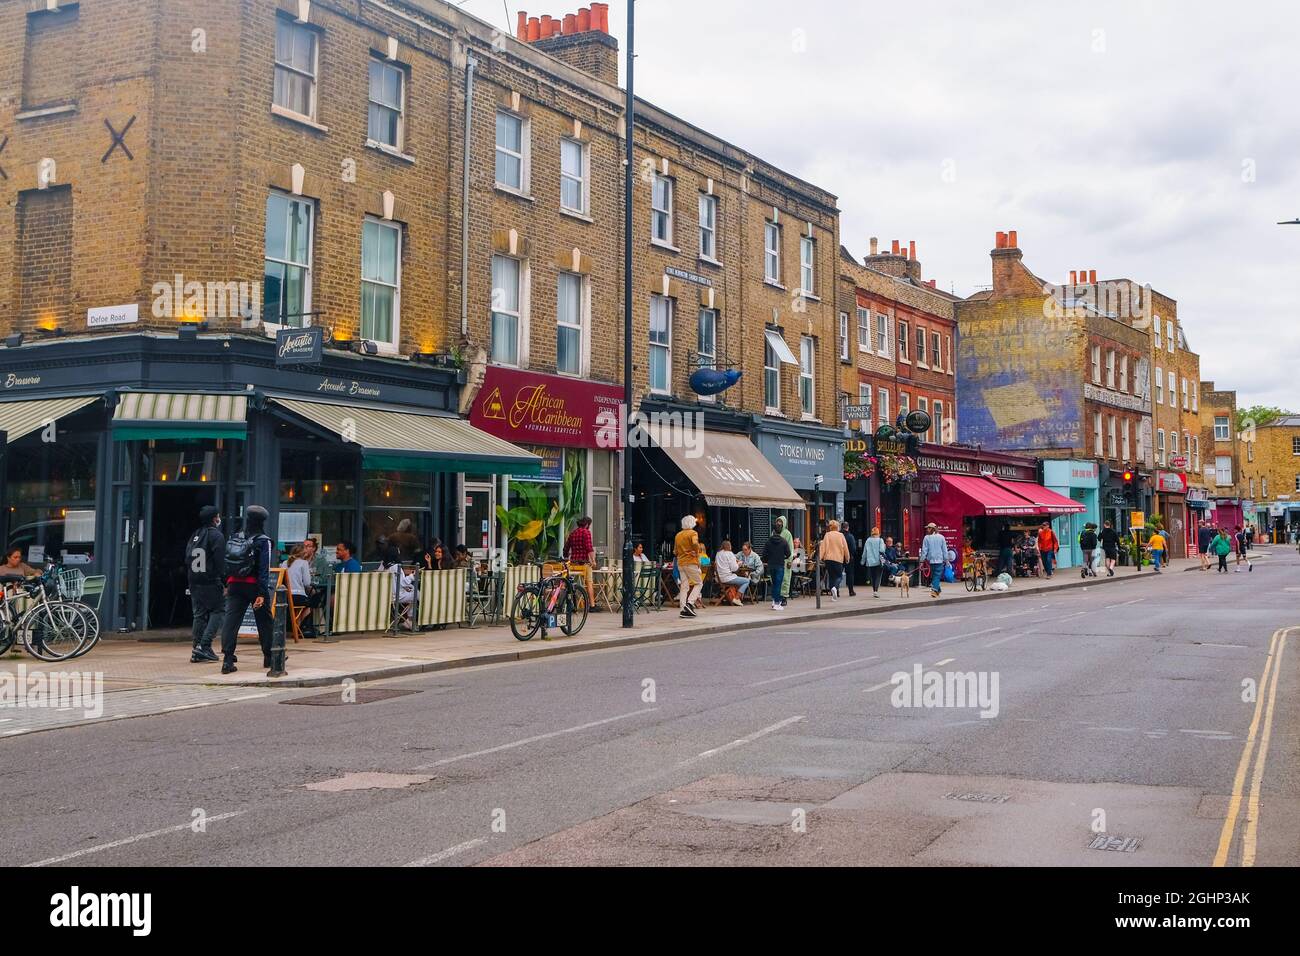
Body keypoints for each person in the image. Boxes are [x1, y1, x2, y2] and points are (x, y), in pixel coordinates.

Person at [220, 506, 281, 677]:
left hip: (234, 584)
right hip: (253, 586)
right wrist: (262, 593)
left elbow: (228, 562)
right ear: (263, 521)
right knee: (264, 621)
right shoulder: (263, 541)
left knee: (231, 621)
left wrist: (227, 583)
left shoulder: (235, 536)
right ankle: (269, 657)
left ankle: (227, 659)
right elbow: (264, 570)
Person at [182, 506, 225, 663]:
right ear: (214, 519)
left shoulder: (195, 535)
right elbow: (220, 562)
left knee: (199, 614)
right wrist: (224, 581)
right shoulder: (217, 536)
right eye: (218, 516)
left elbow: (187, 558)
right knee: (218, 610)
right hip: (210, 581)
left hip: (194, 580)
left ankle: (196, 648)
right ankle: (205, 645)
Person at [378, 546, 416, 629]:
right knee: (417, 594)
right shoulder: (396, 566)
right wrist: (412, 575)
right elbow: (403, 582)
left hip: (385, 596)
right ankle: (410, 621)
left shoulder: (383, 565)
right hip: (396, 596)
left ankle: (407, 621)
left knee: (412, 591)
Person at [674, 515, 704, 618]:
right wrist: (696, 552)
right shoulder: (693, 533)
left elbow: (675, 551)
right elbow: (695, 543)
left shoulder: (678, 535)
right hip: (691, 562)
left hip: (681, 563)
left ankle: (683, 609)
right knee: (699, 583)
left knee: (684, 586)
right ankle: (690, 603)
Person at [761, 528, 791, 611]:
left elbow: (764, 554)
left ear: (773, 532)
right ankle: (777, 603)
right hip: (780, 565)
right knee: (778, 584)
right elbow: (788, 553)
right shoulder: (784, 541)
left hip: (771, 565)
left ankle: (774, 601)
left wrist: (768, 560)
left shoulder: (768, 542)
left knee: (774, 584)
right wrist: (783, 557)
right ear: (780, 533)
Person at [820, 519, 850, 601]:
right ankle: (834, 588)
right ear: (837, 527)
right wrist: (847, 558)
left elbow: (823, 547)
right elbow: (845, 548)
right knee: (839, 576)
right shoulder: (841, 535)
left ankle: (833, 595)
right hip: (838, 559)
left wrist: (820, 557)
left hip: (828, 559)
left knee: (831, 576)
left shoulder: (827, 535)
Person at [714, 539, 748, 605]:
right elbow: (734, 569)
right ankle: (737, 598)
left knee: (739, 581)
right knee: (746, 581)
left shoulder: (718, 553)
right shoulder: (730, 554)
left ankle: (734, 597)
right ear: (729, 546)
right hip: (727, 578)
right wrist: (739, 564)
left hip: (719, 578)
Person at [920, 523, 949, 599]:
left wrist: (922, 561)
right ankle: (936, 590)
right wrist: (946, 560)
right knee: (936, 576)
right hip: (939, 560)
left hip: (932, 560)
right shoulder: (941, 537)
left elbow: (924, 550)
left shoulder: (926, 538)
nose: (927, 529)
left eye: (928, 528)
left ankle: (935, 590)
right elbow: (944, 550)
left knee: (935, 576)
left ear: (932, 529)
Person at [862, 526, 886, 598]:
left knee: (873, 576)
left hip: (870, 561)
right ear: (878, 533)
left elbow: (864, 552)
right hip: (878, 561)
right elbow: (882, 550)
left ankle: (874, 590)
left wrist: (863, 561)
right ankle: (876, 591)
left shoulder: (868, 540)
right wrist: (884, 547)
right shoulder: (880, 540)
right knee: (878, 576)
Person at [775, 516, 794, 606]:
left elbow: (790, 547)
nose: (778, 523)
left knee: (785, 579)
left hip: (785, 560)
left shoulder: (787, 534)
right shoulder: (774, 533)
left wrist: (789, 560)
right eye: (777, 521)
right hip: (776, 560)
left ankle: (784, 597)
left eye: (780, 522)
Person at [841, 523, 858, 595]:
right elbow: (853, 548)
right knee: (850, 574)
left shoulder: (839, 536)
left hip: (839, 557)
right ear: (847, 527)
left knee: (838, 574)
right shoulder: (850, 536)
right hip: (849, 557)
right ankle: (851, 591)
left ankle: (836, 591)